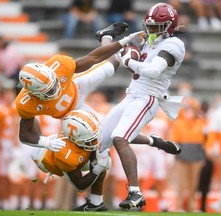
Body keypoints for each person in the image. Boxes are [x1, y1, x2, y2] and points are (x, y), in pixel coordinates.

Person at [15, 21, 140, 209]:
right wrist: (44, 141)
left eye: (54, 84)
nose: (55, 90)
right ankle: (96, 202)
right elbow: (24, 134)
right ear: (34, 93)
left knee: (113, 63)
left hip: (77, 86)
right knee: (100, 144)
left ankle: (106, 36)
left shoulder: (60, 66)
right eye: (48, 92)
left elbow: (94, 57)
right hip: (71, 113)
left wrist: (123, 43)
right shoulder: (26, 103)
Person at [78, 2, 185, 210]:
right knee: (98, 143)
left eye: (156, 27)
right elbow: (113, 57)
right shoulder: (147, 40)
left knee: (120, 137)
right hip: (131, 96)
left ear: (170, 26)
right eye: (149, 26)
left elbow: (153, 71)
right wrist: (113, 41)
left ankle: (135, 193)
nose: (151, 30)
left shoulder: (174, 45)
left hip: (148, 98)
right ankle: (96, 203)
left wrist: (129, 62)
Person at [30, 109, 111, 209]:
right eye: (91, 138)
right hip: (43, 158)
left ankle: (96, 202)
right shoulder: (65, 155)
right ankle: (50, 204)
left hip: (69, 145)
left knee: (101, 156)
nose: (95, 140)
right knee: (100, 163)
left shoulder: (79, 132)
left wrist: (101, 159)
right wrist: (99, 167)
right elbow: (80, 186)